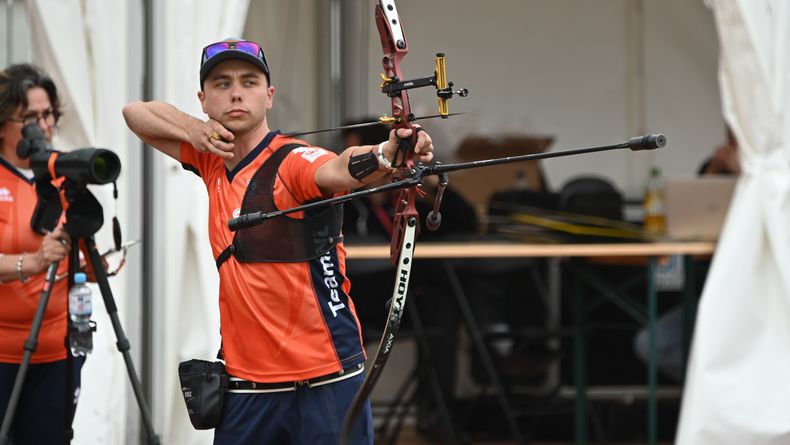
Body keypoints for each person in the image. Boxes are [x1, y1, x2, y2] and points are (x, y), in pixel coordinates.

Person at [122, 38, 434, 444]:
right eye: (221, 83)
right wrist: (197, 132)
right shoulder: (209, 158)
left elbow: (337, 169)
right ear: (203, 99)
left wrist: (386, 154)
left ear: (269, 97)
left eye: (249, 82)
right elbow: (136, 113)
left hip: (323, 381)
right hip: (246, 386)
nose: (236, 92)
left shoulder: (292, 160)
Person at [0, 63, 85, 444]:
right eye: (29, 117)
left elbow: (80, 259)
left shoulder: (63, 175)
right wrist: (32, 263)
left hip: (56, 354)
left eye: (47, 114)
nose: (42, 125)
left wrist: (99, 264)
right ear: (3, 123)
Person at [633, 126, 740, 381]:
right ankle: (717, 398)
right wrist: (715, 171)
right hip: (721, 293)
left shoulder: (775, 169)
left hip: (767, 296)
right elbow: (700, 212)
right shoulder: (721, 164)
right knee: (653, 344)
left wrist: (745, 169)